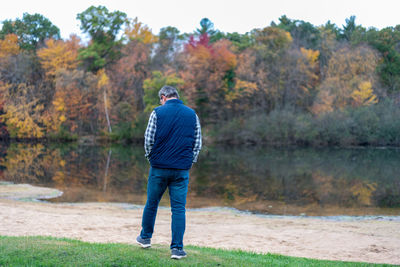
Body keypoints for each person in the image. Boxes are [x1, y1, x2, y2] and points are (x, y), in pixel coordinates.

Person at [136, 85, 202, 260]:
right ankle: (177, 249)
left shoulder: (157, 112)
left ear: (164, 97)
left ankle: (145, 238)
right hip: (181, 170)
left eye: (161, 100)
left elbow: (148, 140)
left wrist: (152, 159)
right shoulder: (192, 114)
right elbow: (197, 143)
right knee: (179, 208)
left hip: (159, 168)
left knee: (152, 203)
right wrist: (190, 162)